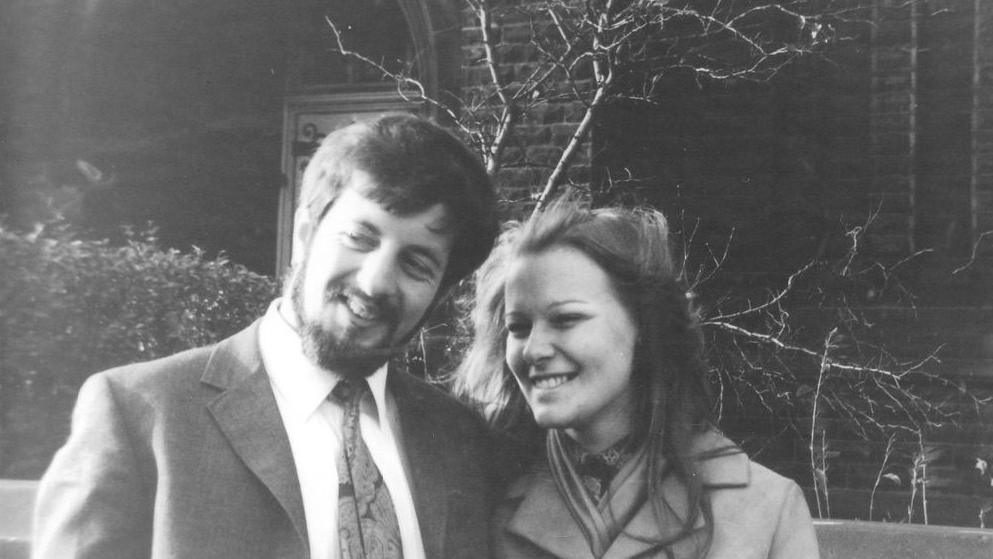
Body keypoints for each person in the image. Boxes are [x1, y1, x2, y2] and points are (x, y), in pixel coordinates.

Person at [33, 113, 501, 559]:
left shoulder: (457, 439)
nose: (375, 281)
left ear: (438, 293)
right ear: (304, 233)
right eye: (359, 237)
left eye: (416, 264)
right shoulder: (139, 413)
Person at [454, 202, 819, 559]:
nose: (533, 349)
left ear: (644, 325)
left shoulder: (765, 508)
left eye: (565, 320)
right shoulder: (479, 497)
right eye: (518, 328)